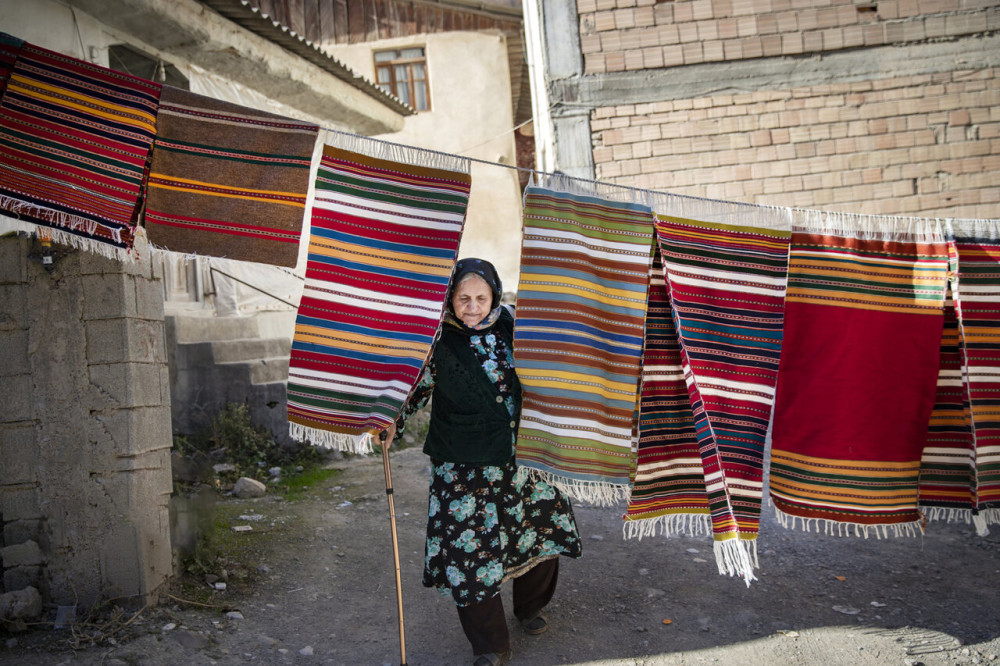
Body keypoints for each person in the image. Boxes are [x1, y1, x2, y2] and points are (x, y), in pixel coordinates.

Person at [385, 257, 582, 666]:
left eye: (480, 297)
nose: (472, 306)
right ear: (450, 299)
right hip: (463, 467)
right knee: (467, 554)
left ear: (494, 295)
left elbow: (553, 368)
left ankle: (529, 608)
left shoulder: (514, 327)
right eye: (463, 298)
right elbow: (411, 388)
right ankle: (490, 645)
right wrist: (391, 423)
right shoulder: (436, 340)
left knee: (539, 532)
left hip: (523, 458)